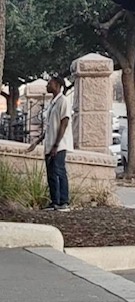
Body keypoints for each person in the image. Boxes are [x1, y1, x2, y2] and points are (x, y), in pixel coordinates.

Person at [26, 77, 72, 211]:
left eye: (49, 83)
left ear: (57, 85)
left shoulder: (63, 101)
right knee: (51, 174)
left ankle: (64, 202)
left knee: (59, 171)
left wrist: (56, 145)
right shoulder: (53, 103)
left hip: (59, 145)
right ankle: (55, 201)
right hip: (49, 144)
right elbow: (50, 127)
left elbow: (64, 122)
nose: (47, 86)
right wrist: (38, 141)